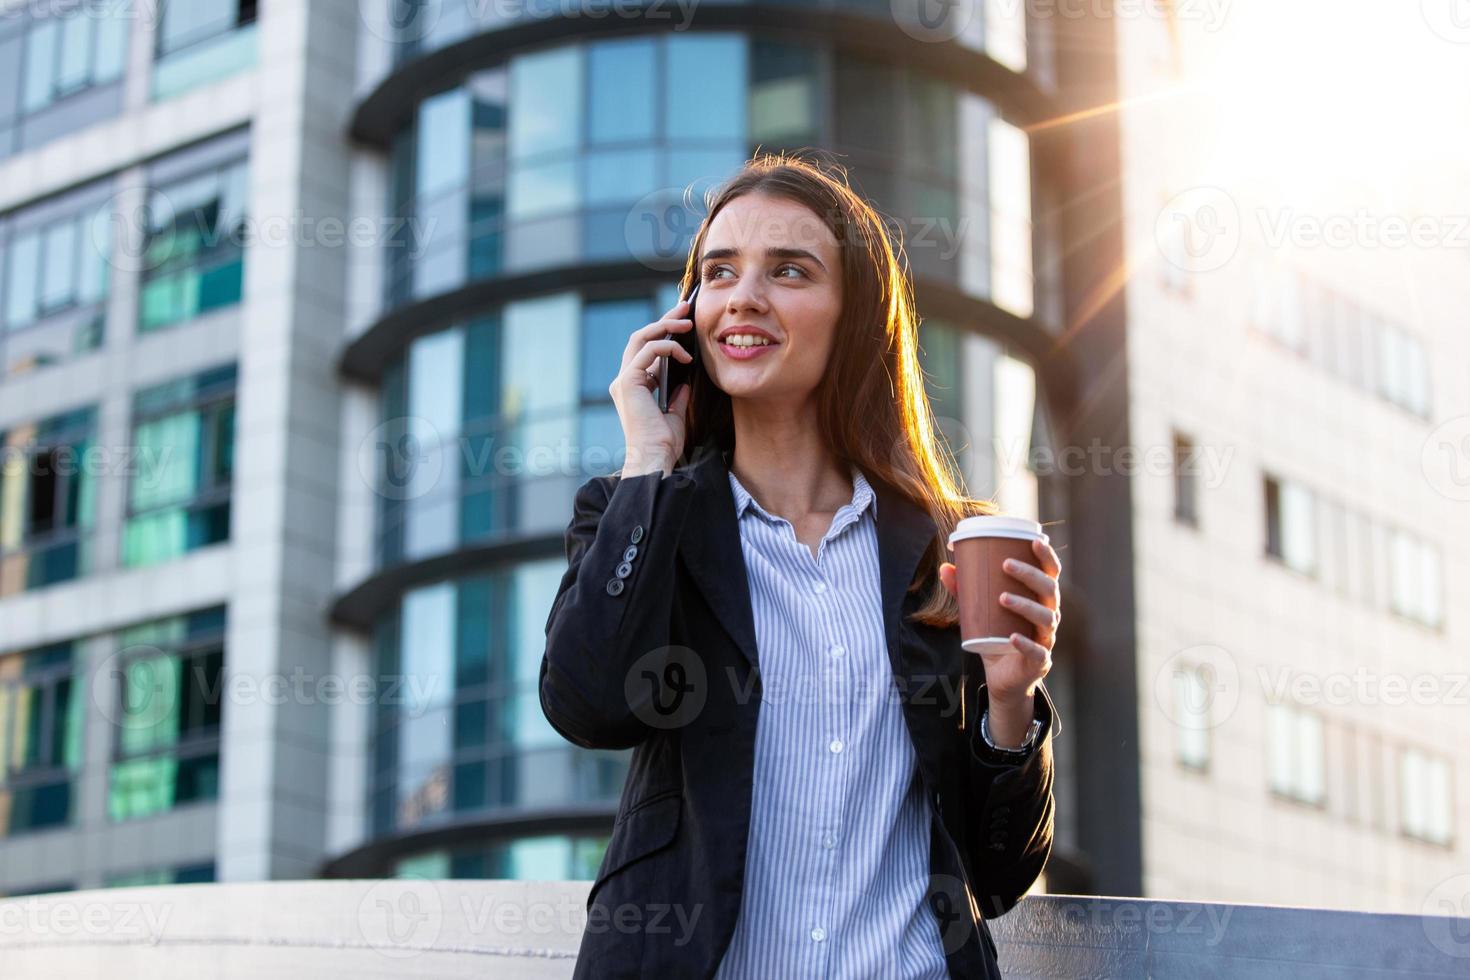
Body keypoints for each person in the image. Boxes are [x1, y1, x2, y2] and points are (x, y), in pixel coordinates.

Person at [540, 154, 1063, 979]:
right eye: (720, 272)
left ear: (856, 315)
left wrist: (1010, 703)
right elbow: (589, 704)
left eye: (788, 270)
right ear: (690, 314)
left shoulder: (945, 549)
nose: (744, 295)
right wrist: (650, 461)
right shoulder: (635, 514)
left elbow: (995, 879)